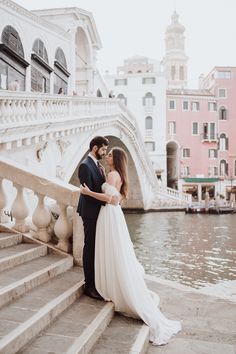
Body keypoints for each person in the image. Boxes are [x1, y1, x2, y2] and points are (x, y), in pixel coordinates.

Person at [80, 147, 182, 346]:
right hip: (113, 215)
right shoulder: (118, 174)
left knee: (112, 251)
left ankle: (112, 287)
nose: (107, 156)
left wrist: (88, 192)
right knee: (115, 252)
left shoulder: (112, 175)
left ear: (115, 159)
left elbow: (112, 199)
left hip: (109, 214)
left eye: (110, 155)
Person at [77, 136, 118, 301]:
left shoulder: (98, 165)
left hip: (99, 213)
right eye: (103, 150)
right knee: (90, 248)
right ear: (94, 148)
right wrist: (107, 200)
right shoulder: (85, 166)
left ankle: (96, 281)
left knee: (96, 248)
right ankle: (89, 285)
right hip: (90, 213)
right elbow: (87, 196)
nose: (104, 153)